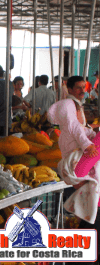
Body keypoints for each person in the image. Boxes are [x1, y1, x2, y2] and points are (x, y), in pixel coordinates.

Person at [48, 76, 100, 261]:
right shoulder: (70, 110)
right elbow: (76, 128)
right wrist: (89, 144)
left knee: (88, 239)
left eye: (83, 88)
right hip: (92, 195)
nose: (83, 91)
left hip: (92, 195)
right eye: (78, 88)